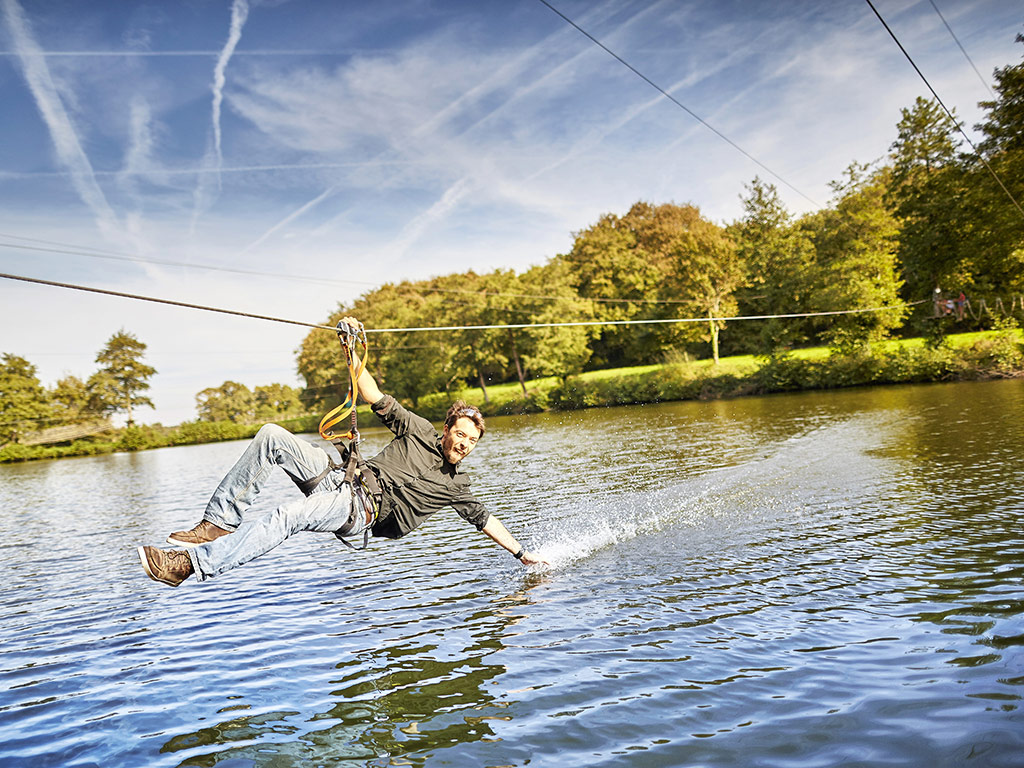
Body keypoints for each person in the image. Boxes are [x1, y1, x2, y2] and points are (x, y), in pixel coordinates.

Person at [138, 316, 548, 587]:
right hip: (343, 477)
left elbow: (486, 519)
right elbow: (372, 395)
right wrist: (352, 349)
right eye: (460, 434)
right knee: (271, 435)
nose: (464, 444)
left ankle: (188, 566)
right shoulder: (419, 429)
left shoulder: (456, 486)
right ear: (446, 430)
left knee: (288, 516)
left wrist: (522, 553)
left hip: (359, 512)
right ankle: (218, 522)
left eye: (471, 441)